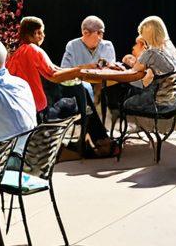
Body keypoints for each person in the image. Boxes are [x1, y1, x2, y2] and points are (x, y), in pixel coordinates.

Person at [7, 17, 113, 154]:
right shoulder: (34, 50)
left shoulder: (16, 55)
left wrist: (84, 68)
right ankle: (100, 142)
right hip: (43, 111)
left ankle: (95, 140)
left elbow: (56, 69)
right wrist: (80, 71)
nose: (43, 36)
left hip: (24, 108)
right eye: (41, 32)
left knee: (82, 92)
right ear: (33, 34)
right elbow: (54, 75)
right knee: (83, 94)